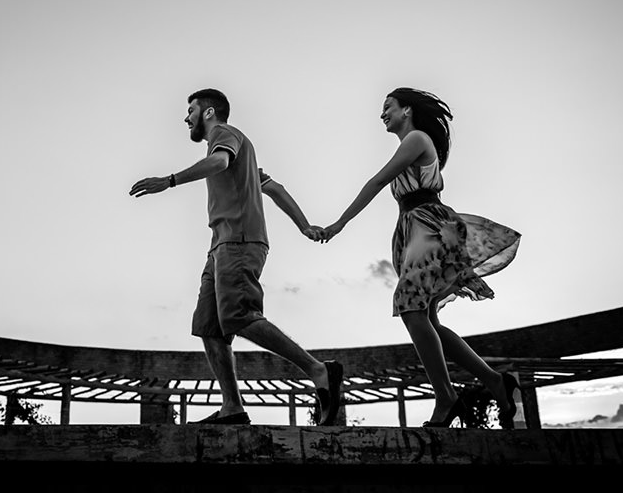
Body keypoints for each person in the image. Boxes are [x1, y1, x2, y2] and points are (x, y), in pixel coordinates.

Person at [129, 88, 344, 426]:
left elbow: (218, 160)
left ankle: (318, 370)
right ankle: (233, 408)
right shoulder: (243, 155)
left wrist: (169, 181)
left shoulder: (225, 136)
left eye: (191, 110)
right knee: (209, 327)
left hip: (239, 242)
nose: (186, 118)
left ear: (209, 112)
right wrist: (303, 226)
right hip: (220, 246)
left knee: (240, 317)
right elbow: (274, 188)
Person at [319, 87, 521, 428]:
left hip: (430, 226)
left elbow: (378, 180)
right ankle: (494, 381)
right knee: (427, 317)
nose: (382, 114)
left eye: (388, 107)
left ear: (407, 110)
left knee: (411, 307)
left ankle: (446, 397)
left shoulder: (416, 138)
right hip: (413, 227)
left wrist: (340, 223)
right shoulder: (408, 143)